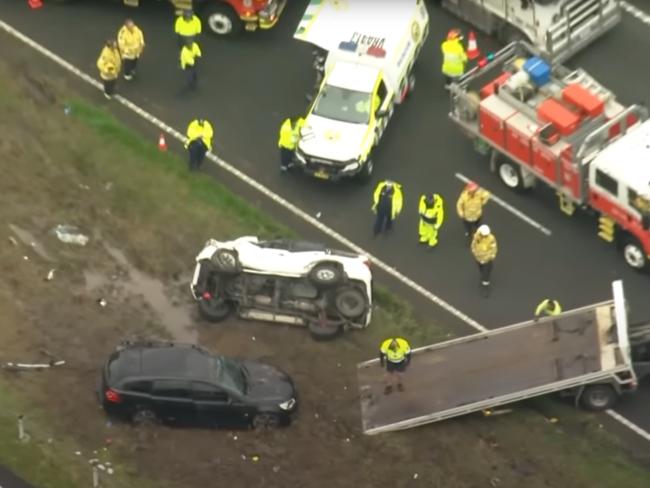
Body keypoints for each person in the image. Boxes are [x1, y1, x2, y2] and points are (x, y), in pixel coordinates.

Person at [471, 225, 497, 293]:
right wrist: (475, 254)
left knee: (487, 272)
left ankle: (485, 284)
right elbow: (473, 246)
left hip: (487, 260)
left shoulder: (491, 238)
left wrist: (491, 256)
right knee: (482, 270)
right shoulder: (476, 238)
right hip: (479, 259)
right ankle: (484, 280)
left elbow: (493, 248)